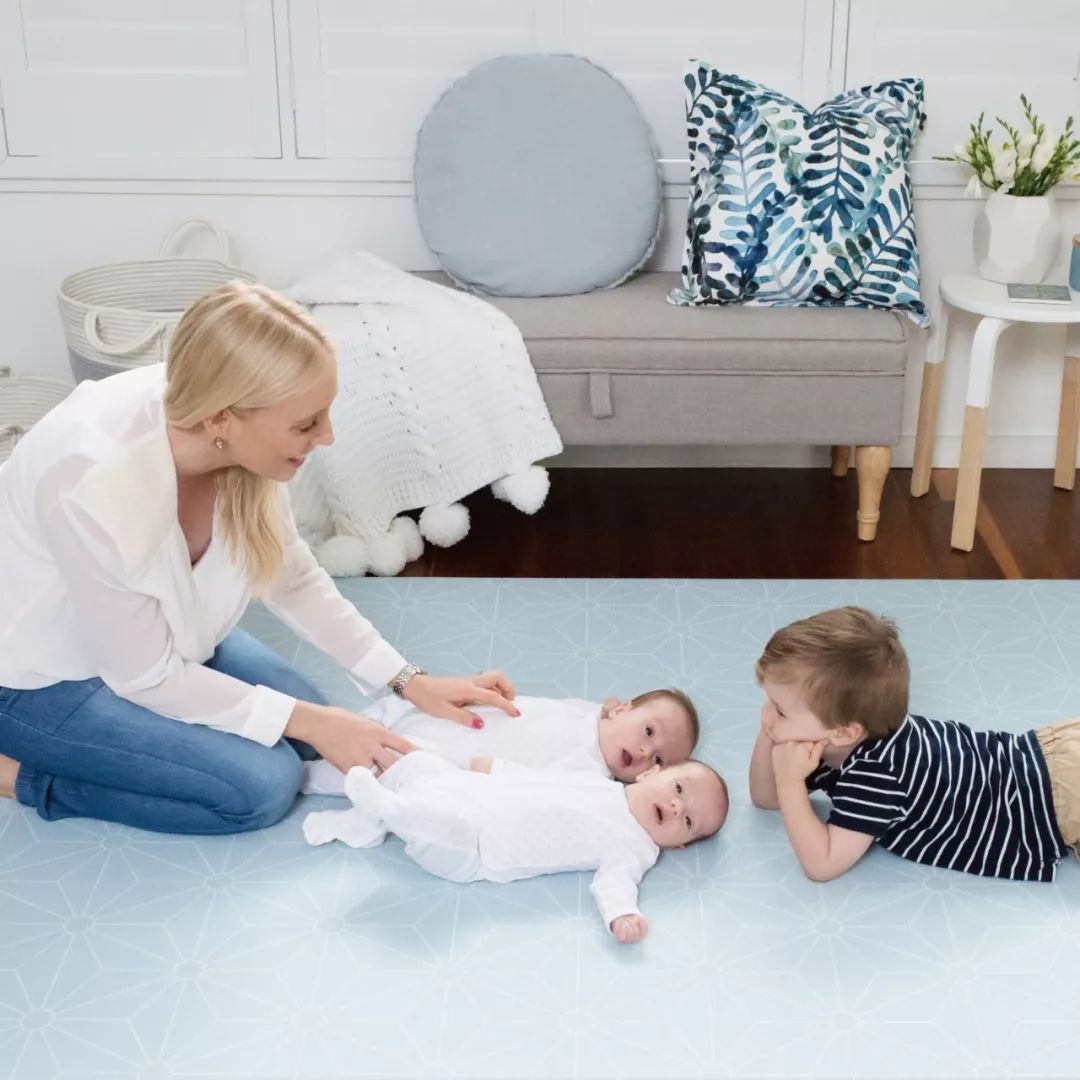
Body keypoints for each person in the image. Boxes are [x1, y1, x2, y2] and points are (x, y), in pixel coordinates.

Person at [0, 280, 518, 835]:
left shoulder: (231, 432)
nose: (327, 436)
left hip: (170, 642)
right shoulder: (94, 483)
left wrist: (408, 680)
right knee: (260, 787)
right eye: (306, 424)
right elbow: (144, 677)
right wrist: (315, 722)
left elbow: (292, 579)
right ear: (222, 418)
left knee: (308, 738)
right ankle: (18, 775)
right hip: (43, 680)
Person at [749, 606, 1079, 883]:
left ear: (845, 732)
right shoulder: (841, 737)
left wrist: (790, 783)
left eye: (779, 710)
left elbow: (822, 865)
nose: (765, 715)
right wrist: (772, 732)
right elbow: (765, 797)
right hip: (1049, 766)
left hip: (1056, 796)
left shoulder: (875, 776)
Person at [303, 752, 729, 943]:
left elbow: (615, 882)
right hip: (472, 792)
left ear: (678, 846)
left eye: (688, 822)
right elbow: (543, 777)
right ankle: (362, 824)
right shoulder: (599, 780)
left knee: (443, 823)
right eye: (679, 789)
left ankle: (388, 809)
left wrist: (622, 914)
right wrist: (500, 768)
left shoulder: (635, 846)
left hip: (477, 849)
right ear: (649, 774)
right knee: (420, 765)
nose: (677, 807)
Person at [300, 686, 699, 794]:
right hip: (452, 718)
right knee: (361, 721)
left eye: (658, 761)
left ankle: (306, 775)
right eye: (649, 732)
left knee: (374, 768)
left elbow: (534, 790)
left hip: (448, 759)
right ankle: (305, 730)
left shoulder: (592, 779)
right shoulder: (589, 714)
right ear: (622, 709)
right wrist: (606, 709)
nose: (645, 751)